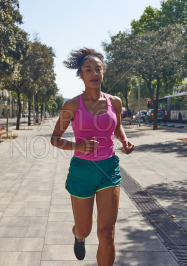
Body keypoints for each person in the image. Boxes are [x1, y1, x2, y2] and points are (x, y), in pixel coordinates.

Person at [50, 48, 134, 265]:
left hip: (108, 169)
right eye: (89, 70)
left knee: (107, 232)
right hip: (82, 170)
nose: (94, 73)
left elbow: (117, 127)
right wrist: (79, 145)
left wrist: (124, 141)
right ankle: (78, 236)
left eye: (98, 69)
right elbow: (55, 139)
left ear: (103, 72)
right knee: (85, 229)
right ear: (81, 75)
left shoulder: (114, 102)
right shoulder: (72, 105)